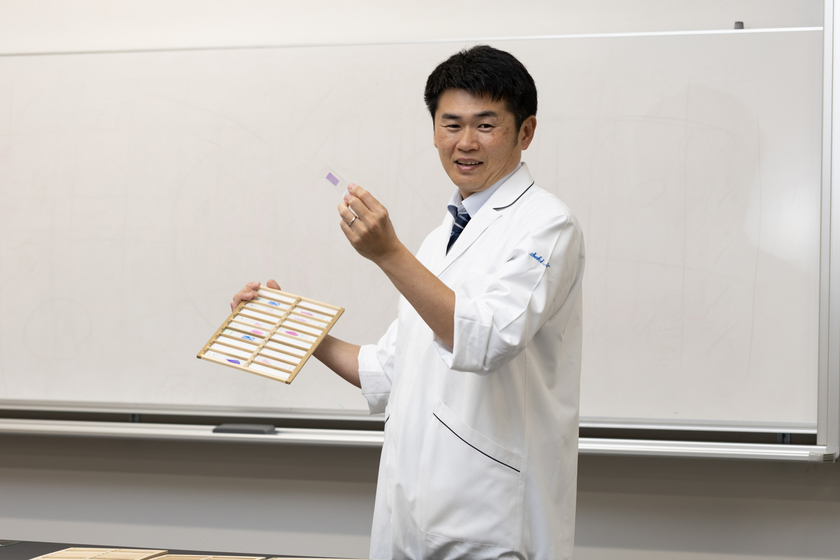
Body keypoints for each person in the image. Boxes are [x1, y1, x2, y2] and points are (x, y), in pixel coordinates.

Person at [232, 45, 585, 560]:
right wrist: (288, 323)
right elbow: (387, 370)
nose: (465, 143)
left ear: (525, 132)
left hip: (491, 520)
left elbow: (486, 339)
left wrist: (388, 253)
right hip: (412, 515)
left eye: (486, 125)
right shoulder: (441, 238)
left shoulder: (547, 225)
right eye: (451, 125)